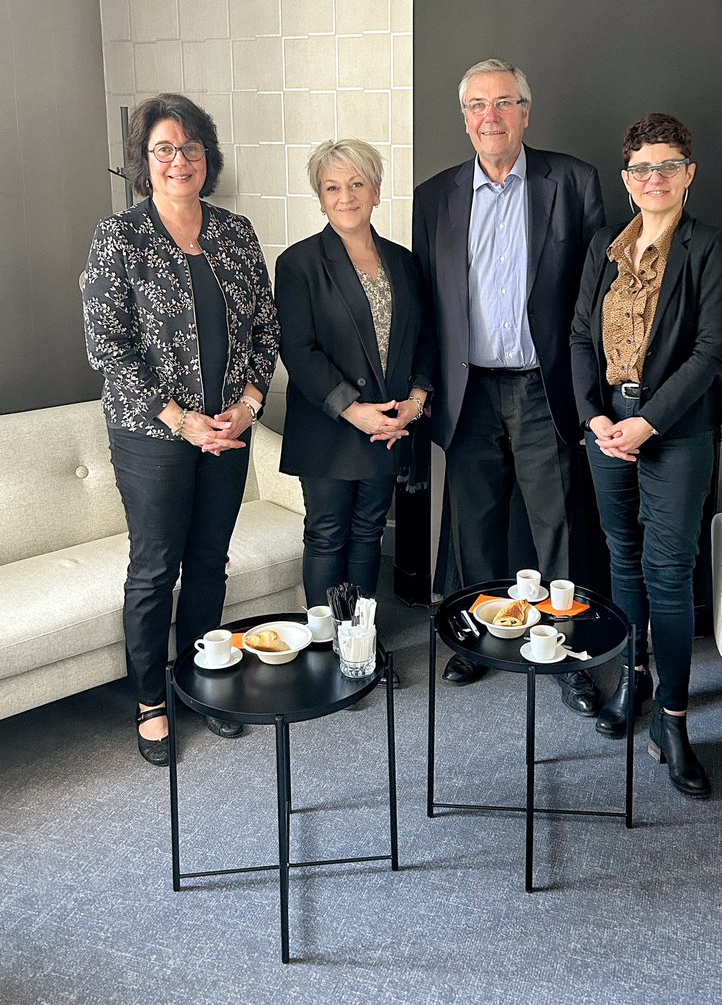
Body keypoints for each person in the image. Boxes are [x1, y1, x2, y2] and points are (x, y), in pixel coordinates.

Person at [83, 93, 279, 766]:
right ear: (144, 160)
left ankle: (198, 682)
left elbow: (264, 327)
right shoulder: (121, 238)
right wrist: (179, 419)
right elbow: (107, 344)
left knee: (209, 561)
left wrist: (249, 404)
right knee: (155, 566)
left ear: (208, 157)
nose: (179, 160)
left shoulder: (235, 231)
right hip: (153, 437)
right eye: (164, 148)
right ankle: (150, 701)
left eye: (191, 148)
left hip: (231, 428)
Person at [412, 57, 606, 712]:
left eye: (502, 103)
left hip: (539, 387)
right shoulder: (432, 196)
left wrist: (589, 393)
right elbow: (425, 305)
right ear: (464, 118)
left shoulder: (572, 181)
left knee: (557, 527)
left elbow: (590, 300)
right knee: (474, 526)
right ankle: (475, 641)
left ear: (524, 112)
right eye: (476, 106)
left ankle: (561, 649)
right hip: (467, 391)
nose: (488, 117)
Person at [570, 112, 722, 798]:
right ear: (626, 177)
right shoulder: (603, 249)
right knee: (621, 557)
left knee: (668, 572)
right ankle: (631, 682)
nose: (653, 178)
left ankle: (672, 719)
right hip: (606, 425)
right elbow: (580, 335)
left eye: (666, 166)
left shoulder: (709, 249)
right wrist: (593, 416)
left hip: (677, 428)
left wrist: (646, 426)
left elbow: (711, 354)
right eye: (641, 167)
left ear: (688, 174)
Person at [275, 139, 432, 630]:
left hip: (391, 424)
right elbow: (298, 350)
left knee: (369, 534)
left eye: (357, 184)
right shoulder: (298, 263)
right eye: (332, 187)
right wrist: (353, 410)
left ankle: (360, 642)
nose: (346, 196)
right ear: (320, 199)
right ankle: (326, 646)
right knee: (327, 533)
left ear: (377, 191)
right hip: (330, 426)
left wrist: (415, 403)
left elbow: (426, 338)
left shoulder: (404, 262)